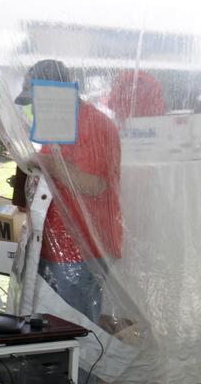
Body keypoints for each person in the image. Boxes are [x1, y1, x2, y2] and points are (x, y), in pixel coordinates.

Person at [15, 59, 122, 323]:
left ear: (55, 91)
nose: (34, 108)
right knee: (52, 325)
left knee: (76, 329)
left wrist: (49, 163)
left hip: (82, 247)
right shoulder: (57, 124)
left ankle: (82, 367)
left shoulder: (93, 125)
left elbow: (95, 185)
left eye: (36, 99)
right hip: (55, 243)